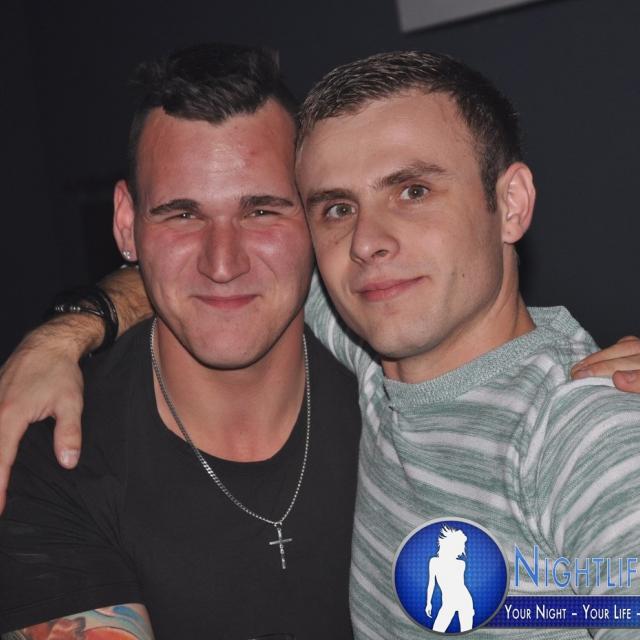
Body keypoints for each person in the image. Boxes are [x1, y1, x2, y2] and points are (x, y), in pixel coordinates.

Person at [2, 49, 640, 639]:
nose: (367, 242)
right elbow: (206, 287)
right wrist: (64, 334)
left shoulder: (586, 433)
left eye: (413, 191)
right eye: (337, 208)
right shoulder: (363, 344)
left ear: (512, 203)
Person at [0, 44, 361, 639]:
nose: (223, 263)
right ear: (127, 223)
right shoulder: (57, 454)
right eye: (182, 215)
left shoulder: (398, 391)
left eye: (261, 211)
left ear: (316, 214)